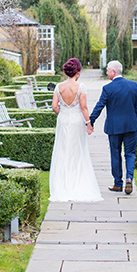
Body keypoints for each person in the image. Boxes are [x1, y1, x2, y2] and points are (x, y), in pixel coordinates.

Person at [48, 58, 103, 202]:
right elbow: (83, 108)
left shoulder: (59, 86)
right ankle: (77, 182)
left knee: (62, 150)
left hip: (63, 120)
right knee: (77, 151)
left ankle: (62, 184)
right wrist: (89, 124)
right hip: (77, 121)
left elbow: (54, 106)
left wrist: (63, 113)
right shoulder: (81, 87)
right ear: (77, 72)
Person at [89, 60, 137, 195]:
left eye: (107, 70)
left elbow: (99, 106)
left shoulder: (108, 88)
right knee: (130, 154)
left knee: (115, 154)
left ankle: (118, 183)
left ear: (113, 72)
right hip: (131, 126)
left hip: (114, 127)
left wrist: (91, 121)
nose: (106, 73)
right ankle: (129, 177)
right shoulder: (133, 86)